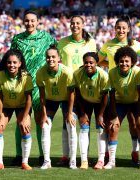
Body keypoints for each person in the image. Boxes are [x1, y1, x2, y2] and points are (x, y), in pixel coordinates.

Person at [98, 15, 140, 164]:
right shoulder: (108, 45)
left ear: (128, 29)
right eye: (118, 27)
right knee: (111, 123)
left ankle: (135, 152)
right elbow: (98, 61)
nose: (121, 30)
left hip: (133, 90)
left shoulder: (136, 45)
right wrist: (110, 67)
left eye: (123, 28)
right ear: (114, 29)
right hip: (115, 89)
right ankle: (108, 155)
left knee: (135, 124)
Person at [10, 10, 57, 165]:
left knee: (40, 120)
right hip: (21, 85)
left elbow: (55, 55)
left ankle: (44, 155)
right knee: (21, 119)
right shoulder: (17, 39)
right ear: (24, 22)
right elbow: (13, 59)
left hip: (40, 85)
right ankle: (20, 155)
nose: (29, 23)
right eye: (27, 21)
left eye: (32, 20)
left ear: (38, 22)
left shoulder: (47, 38)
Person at [57, 15, 97, 166]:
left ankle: (84, 157)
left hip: (85, 88)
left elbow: (93, 63)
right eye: (72, 23)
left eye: (77, 23)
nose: (74, 25)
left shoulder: (90, 42)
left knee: (85, 121)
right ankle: (66, 156)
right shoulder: (62, 42)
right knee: (67, 121)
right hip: (68, 88)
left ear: (83, 25)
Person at [105, 46, 140, 170]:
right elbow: (111, 95)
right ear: (117, 61)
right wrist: (113, 115)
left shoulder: (137, 72)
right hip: (120, 102)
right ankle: (112, 161)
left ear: (132, 62)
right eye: (121, 61)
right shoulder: (112, 72)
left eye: (127, 61)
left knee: (138, 126)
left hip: (136, 102)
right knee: (113, 127)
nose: (124, 63)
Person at [0, 49, 33, 171]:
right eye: (9, 62)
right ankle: (0, 163)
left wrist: (25, 118)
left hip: (22, 106)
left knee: (25, 129)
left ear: (20, 64)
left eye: (15, 62)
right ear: (6, 63)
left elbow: (29, 99)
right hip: (5, 106)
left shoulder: (26, 76)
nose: (12, 65)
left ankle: (25, 162)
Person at [36, 45, 77, 170]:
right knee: (45, 126)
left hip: (66, 99)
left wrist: (70, 113)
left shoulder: (67, 72)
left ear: (59, 58)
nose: (51, 59)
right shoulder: (41, 72)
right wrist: (43, 114)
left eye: (53, 57)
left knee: (71, 125)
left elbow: (71, 94)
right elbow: (42, 95)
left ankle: (73, 160)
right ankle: (47, 161)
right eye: (48, 57)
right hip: (51, 101)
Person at [73, 52, 109, 170]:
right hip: (84, 102)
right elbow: (77, 94)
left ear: (96, 63)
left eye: (91, 62)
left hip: (100, 103)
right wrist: (82, 113)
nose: (88, 65)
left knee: (100, 128)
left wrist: (101, 115)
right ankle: (84, 160)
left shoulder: (103, 75)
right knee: (84, 127)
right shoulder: (77, 74)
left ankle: (101, 160)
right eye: (86, 62)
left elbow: (105, 96)